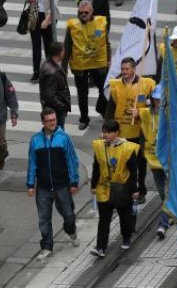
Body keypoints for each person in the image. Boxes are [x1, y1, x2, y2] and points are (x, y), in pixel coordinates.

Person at [26, 107, 80, 261]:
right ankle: (46, 246)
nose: (52, 123)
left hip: (62, 185)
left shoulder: (64, 138)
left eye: (54, 120)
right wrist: (30, 184)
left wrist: (74, 181)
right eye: (49, 121)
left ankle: (71, 231)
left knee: (69, 215)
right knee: (44, 218)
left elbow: (72, 160)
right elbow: (32, 163)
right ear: (42, 122)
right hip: (43, 187)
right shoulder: (35, 140)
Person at [105, 57, 156, 199]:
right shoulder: (116, 87)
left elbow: (155, 106)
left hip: (140, 132)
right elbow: (110, 110)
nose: (124, 72)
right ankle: (127, 190)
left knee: (140, 163)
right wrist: (106, 130)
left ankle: (142, 190)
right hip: (122, 132)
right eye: (122, 69)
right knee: (124, 163)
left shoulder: (146, 85)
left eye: (127, 69)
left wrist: (140, 112)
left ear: (134, 69)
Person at [89, 119, 139, 258]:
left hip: (122, 188)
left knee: (124, 215)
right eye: (104, 131)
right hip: (104, 187)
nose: (106, 135)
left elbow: (133, 170)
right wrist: (93, 185)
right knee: (104, 219)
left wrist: (134, 189)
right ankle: (100, 247)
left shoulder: (128, 148)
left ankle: (126, 237)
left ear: (117, 132)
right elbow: (96, 166)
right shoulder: (99, 146)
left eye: (109, 132)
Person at [63, 0, 110, 131]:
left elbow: (106, 42)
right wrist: (63, 67)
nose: (83, 14)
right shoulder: (73, 26)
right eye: (81, 12)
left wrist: (109, 59)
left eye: (86, 12)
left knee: (104, 89)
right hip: (80, 65)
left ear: (92, 11)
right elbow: (67, 46)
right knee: (82, 93)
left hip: (98, 63)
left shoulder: (100, 22)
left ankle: (101, 108)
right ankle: (84, 118)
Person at [137, 84, 171, 239]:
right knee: (163, 194)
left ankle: (163, 224)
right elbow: (137, 109)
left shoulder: (170, 114)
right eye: (155, 98)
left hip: (168, 160)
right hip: (153, 160)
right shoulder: (145, 113)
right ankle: (171, 213)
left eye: (160, 98)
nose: (158, 101)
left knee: (167, 193)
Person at [27, 0, 60, 81]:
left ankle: (49, 71)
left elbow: (53, 4)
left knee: (48, 46)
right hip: (35, 16)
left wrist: (46, 21)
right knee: (36, 46)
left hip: (48, 18)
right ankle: (36, 71)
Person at [39, 43, 71, 129]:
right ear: (60, 52)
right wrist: (62, 106)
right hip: (56, 110)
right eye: (63, 50)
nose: (64, 52)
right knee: (58, 134)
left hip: (52, 108)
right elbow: (50, 95)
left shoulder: (47, 64)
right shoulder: (52, 71)